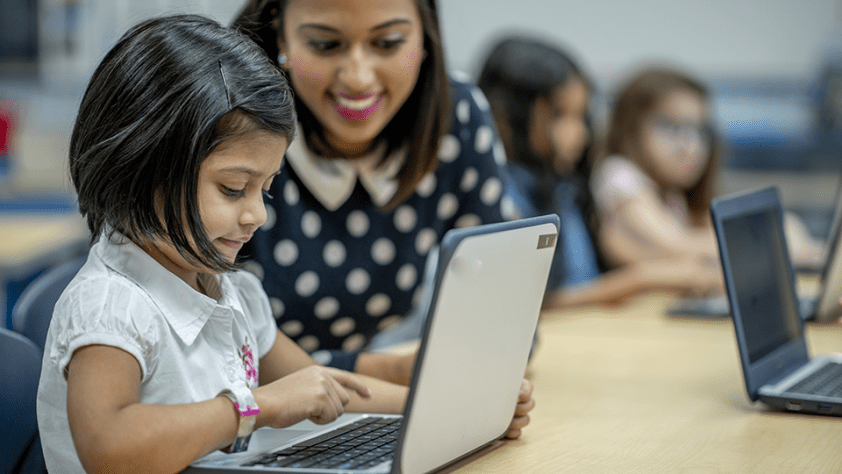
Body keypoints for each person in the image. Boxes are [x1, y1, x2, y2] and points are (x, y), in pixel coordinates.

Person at [36, 15, 412, 474]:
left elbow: (319, 386)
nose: (259, 214)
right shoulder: (111, 305)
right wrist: (254, 408)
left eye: (266, 188)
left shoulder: (229, 293)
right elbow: (110, 448)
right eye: (235, 188)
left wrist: (438, 405)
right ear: (140, 170)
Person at [230, 1, 525, 382]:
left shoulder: (456, 116)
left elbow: (505, 310)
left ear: (425, 39)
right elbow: (205, 355)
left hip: (355, 405)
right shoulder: (230, 120)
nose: (357, 78)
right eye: (325, 44)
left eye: (387, 43)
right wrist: (386, 371)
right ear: (279, 33)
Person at [477, 38, 724, 308]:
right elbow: (534, 305)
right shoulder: (500, 195)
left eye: (581, 116)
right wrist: (644, 277)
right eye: (560, 116)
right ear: (504, 116)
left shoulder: (565, 187)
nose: (580, 134)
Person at [592, 66, 825, 273]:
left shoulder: (670, 192)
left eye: (700, 131)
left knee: (788, 225)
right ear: (630, 127)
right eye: (670, 127)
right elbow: (677, 245)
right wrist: (773, 246)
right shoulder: (620, 174)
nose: (690, 146)